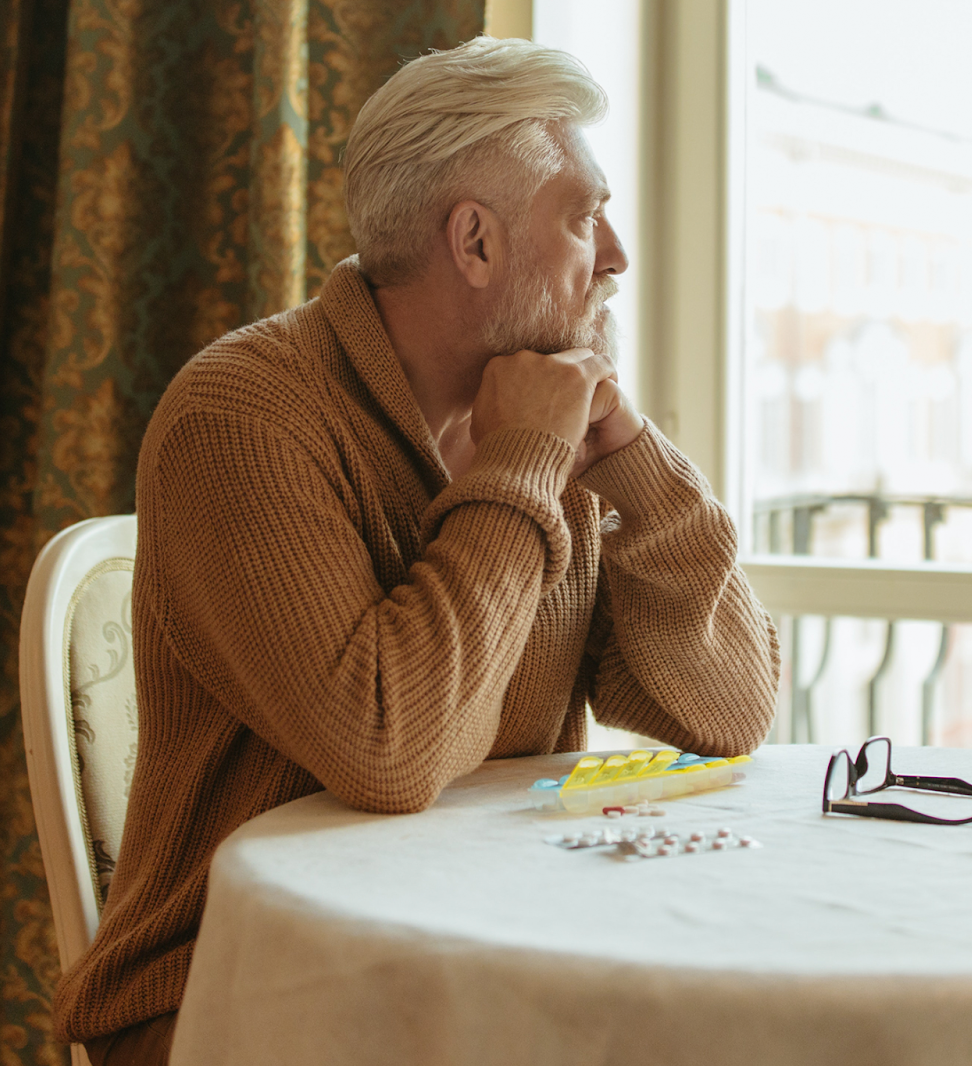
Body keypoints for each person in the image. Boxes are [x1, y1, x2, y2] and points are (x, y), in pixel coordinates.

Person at [52, 35, 780, 1066]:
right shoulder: (244, 414)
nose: (614, 255)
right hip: (233, 988)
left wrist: (630, 457)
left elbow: (723, 713)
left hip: (483, 953)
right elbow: (385, 749)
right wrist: (523, 460)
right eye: (582, 216)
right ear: (474, 243)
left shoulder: (549, 431)